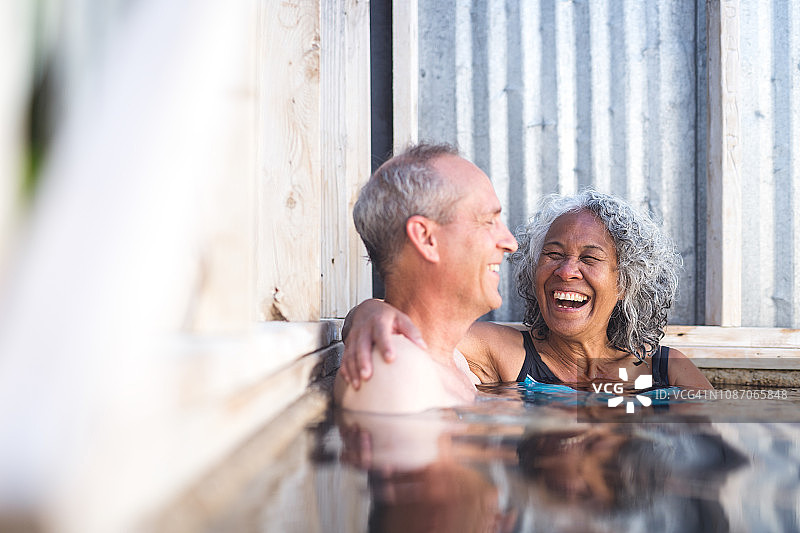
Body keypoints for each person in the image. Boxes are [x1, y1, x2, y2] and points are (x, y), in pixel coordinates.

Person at [340, 189, 712, 391]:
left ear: (626, 281)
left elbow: (718, 458)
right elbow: (412, 330)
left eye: (590, 258)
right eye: (553, 254)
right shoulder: (504, 353)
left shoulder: (667, 370)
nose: (566, 271)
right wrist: (371, 312)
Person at [333, 142, 518, 413]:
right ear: (425, 238)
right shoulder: (397, 372)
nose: (510, 242)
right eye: (488, 221)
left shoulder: (452, 362)